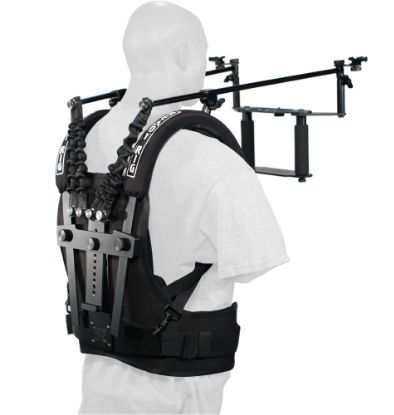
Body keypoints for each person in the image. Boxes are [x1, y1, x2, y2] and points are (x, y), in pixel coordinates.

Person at [80, 2, 289, 413]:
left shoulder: (84, 141)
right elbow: (255, 262)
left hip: (99, 387)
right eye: (204, 55)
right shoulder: (212, 159)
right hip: (180, 391)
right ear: (183, 54)